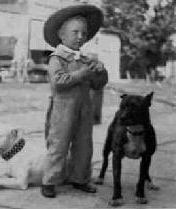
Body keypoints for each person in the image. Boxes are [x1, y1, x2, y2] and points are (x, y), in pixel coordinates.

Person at [41, 4, 108, 198]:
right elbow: (59, 82)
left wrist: (100, 71)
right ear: (62, 35)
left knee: (83, 144)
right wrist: (82, 74)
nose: (80, 37)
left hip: (84, 109)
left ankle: (79, 178)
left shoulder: (86, 59)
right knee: (58, 145)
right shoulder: (57, 59)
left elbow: (98, 84)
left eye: (84, 33)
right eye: (75, 32)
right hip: (62, 110)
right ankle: (50, 181)